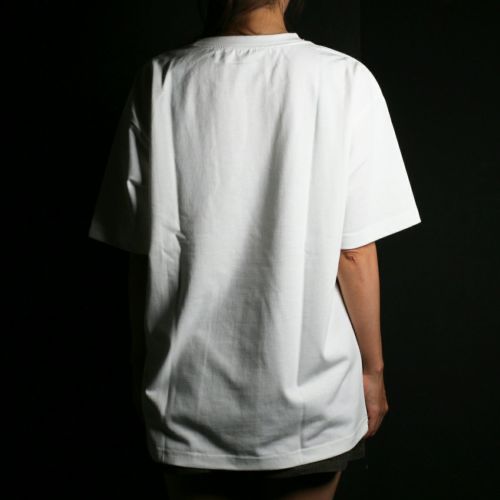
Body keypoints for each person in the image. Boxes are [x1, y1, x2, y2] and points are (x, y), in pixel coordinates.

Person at [88, 1, 422, 498]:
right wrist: (373, 372)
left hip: (186, 401)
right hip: (311, 408)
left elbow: (142, 254)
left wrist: (141, 367)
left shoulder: (160, 81)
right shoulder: (344, 79)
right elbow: (353, 254)